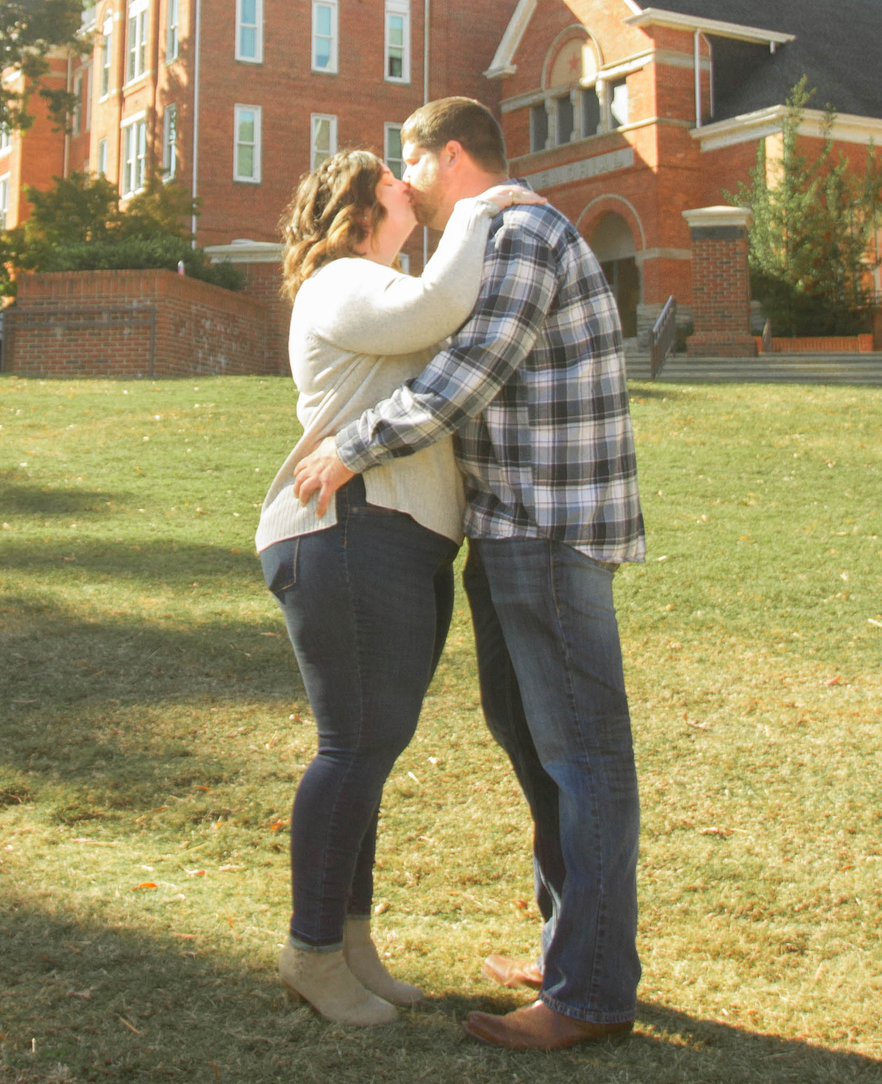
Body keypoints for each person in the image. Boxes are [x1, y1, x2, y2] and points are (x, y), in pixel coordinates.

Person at [293, 96, 645, 1053]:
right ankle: (572, 944)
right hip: (508, 530)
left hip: (547, 528)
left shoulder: (524, 229)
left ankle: (592, 991)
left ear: (451, 157)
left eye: (411, 166)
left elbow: (467, 373)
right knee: (539, 751)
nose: (403, 186)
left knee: (582, 756)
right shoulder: (496, 238)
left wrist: (350, 447)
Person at [257, 148, 535, 1026]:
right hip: (343, 531)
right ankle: (310, 950)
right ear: (361, 201)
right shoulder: (342, 280)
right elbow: (441, 304)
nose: (404, 181)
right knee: (354, 745)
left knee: (372, 747)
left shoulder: (376, 283)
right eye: (390, 175)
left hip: (394, 539)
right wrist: (485, 208)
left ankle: (350, 939)